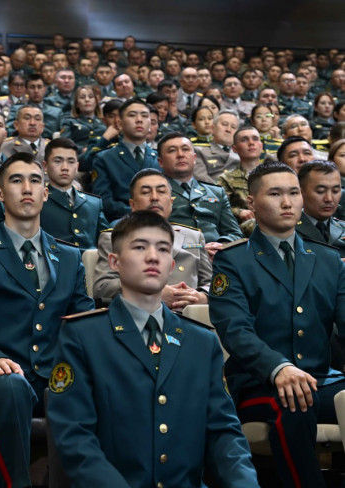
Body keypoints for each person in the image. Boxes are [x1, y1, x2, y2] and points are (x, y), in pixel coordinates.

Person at [48, 210, 258, 488]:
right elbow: (75, 438)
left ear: (171, 265)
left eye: (162, 249)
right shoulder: (83, 336)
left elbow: (224, 433)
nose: (152, 257)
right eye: (139, 247)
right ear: (114, 262)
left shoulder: (202, 341)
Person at [0, 151, 94, 488]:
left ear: (46, 192)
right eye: (16, 181)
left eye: (35, 181)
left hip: (54, 377)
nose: (27, 188)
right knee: (12, 386)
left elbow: (83, 323)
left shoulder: (69, 256)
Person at [209, 162, 345, 488]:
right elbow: (236, 331)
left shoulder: (328, 259)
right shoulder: (233, 260)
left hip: (321, 378)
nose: (287, 202)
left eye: (294, 193)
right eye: (275, 194)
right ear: (252, 202)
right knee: (295, 403)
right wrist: (279, 368)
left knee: (305, 396)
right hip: (260, 383)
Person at [94, 168, 212, 309]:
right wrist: (151, 293)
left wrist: (201, 297)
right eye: (146, 192)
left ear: (171, 202)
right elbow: (102, 287)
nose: (154, 197)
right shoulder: (112, 237)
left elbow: (210, 283)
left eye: (161, 191)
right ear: (132, 204)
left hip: (190, 314)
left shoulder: (194, 236)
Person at [157, 132, 243, 257]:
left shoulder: (216, 192)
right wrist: (199, 249)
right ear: (160, 162)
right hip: (178, 258)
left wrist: (221, 245)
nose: (180, 155)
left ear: (194, 158)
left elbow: (235, 233)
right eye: (172, 151)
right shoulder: (156, 193)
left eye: (185, 149)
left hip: (219, 257)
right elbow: (154, 235)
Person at [90, 98, 159, 222]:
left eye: (144, 116)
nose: (139, 120)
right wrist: (138, 212)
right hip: (123, 220)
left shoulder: (160, 158)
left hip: (160, 219)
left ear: (150, 124)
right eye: (132, 115)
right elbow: (104, 201)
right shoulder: (105, 158)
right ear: (120, 124)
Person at [40, 138, 109, 250]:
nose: (65, 168)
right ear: (45, 166)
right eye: (57, 161)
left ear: (77, 167)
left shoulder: (94, 203)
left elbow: (106, 241)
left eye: (71, 162)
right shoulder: (38, 201)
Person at [217, 126, 264, 233]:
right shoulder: (225, 179)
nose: (251, 143)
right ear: (234, 148)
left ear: (261, 145)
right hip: (245, 228)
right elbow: (219, 207)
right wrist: (239, 212)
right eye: (244, 140)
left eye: (255, 139)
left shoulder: (275, 174)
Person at [294, 160, 345, 257]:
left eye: (335, 191)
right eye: (320, 191)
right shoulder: (287, 230)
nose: (329, 199)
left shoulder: (342, 228)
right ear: (301, 191)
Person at [192, 110, 240, 183]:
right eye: (224, 124)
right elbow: (201, 177)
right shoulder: (198, 151)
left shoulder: (242, 152)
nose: (228, 130)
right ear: (212, 128)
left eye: (233, 127)